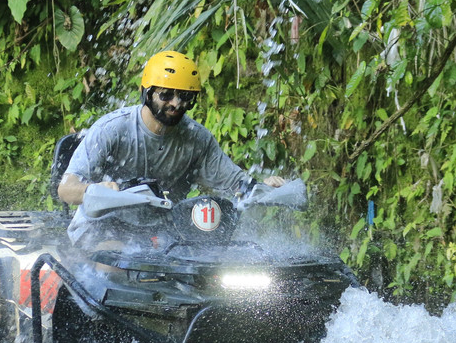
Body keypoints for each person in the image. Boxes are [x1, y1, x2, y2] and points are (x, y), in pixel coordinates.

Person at [58, 50, 285, 247]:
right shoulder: (112, 129)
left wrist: (263, 188)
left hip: (164, 235)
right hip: (102, 228)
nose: (176, 103)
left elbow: (237, 185)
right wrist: (94, 190)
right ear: (146, 92)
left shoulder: (198, 139)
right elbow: (66, 189)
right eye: (166, 95)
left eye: (184, 96)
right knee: (118, 260)